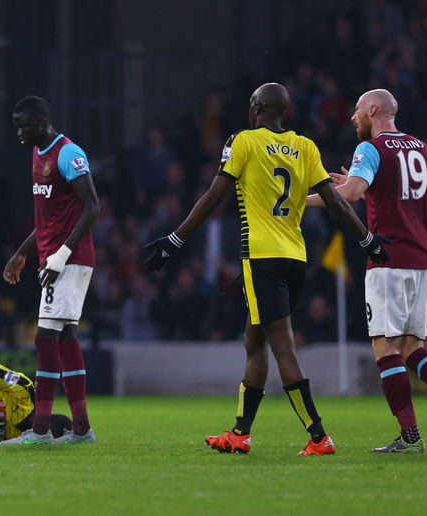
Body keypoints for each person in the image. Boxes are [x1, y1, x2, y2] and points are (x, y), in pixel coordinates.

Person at [143, 83, 389, 456]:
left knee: (282, 346)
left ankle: (319, 436)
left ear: (257, 107)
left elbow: (214, 195)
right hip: (295, 258)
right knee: (254, 340)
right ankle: (240, 432)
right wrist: (367, 238)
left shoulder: (242, 141)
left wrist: (174, 240)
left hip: (261, 258)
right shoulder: (305, 146)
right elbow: (335, 203)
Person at [306, 89, 427, 453]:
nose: (353, 118)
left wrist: (297, 202)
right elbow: (388, 192)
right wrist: (356, 188)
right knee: (413, 345)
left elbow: (351, 194)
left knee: (385, 348)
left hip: (389, 260)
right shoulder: (421, 147)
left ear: (372, 110)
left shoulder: (370, 148)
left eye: (356, 110)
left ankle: (411, 438)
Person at [0, 96, 100, 445]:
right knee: (66, 336)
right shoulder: (37, 154)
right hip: (54, 259)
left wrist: (62, 255)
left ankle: (41, 430)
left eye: (23, 126)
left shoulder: (68, 154)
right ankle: (82, 429)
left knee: (45, 337)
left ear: (41, 121)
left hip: (69, 261)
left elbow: (93, 207)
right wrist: (23, 253)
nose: (19, 133)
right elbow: (48, 217)